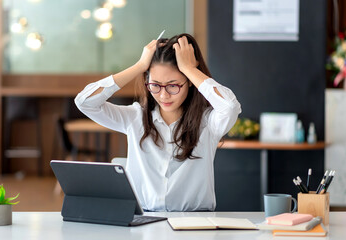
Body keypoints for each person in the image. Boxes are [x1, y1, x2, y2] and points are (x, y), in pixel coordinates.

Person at [75, 33, 241, 211]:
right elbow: (85, 102)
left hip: (194, 222)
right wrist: (139, 66)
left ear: (190, 82)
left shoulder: (208, 122)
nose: (163, 95)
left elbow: (230, 107)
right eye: (155, 85)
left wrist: (190, 69)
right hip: (143, 220)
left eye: (173, 85)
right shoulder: (135, 117)